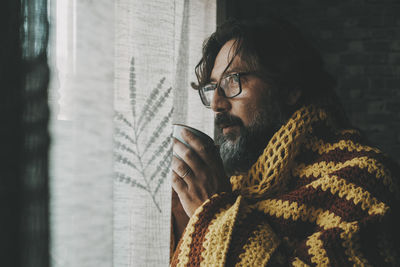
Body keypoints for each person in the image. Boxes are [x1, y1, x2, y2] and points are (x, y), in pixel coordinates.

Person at [170, 17, 400, 266]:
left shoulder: (365, 180)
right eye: (212, 87)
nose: (216, 104)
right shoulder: (232, 185)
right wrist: (182, 225)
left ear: (289, 87)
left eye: (233, 80)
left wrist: (215, 213)